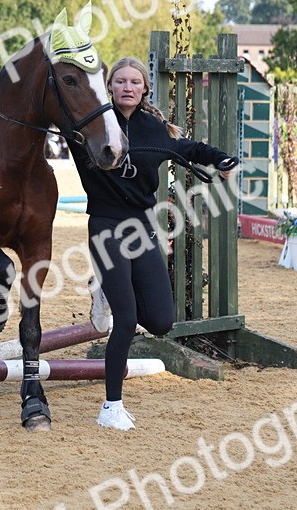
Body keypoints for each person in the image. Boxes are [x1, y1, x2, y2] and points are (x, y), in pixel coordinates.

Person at [70, 57, 238, 431]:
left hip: (142, 226)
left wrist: (221, 160)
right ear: (109, 87)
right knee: (126, 320)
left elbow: (191, 148)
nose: (127, 87)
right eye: (120, 81)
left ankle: (105, 289)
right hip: (106, 225)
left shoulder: (155, 128)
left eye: (135, 82)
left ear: (145, 89)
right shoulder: (93, 124)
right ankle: (111, 406)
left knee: (162, 321)